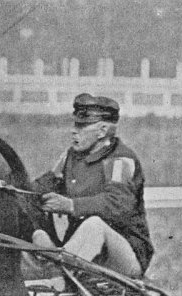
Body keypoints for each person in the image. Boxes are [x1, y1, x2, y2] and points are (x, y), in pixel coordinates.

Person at [31, 93, 153, 279]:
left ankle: (58, 277)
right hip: (84, 252)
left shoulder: (120, 159)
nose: (74, 131)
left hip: (124, 256)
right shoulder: (70, 157)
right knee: (35, 230)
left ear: (102, 131)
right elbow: (42, 185)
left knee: (94, 225)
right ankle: (53, 272)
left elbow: (117, 204)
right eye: (75, 124)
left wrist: (70, 206)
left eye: (82, 126)